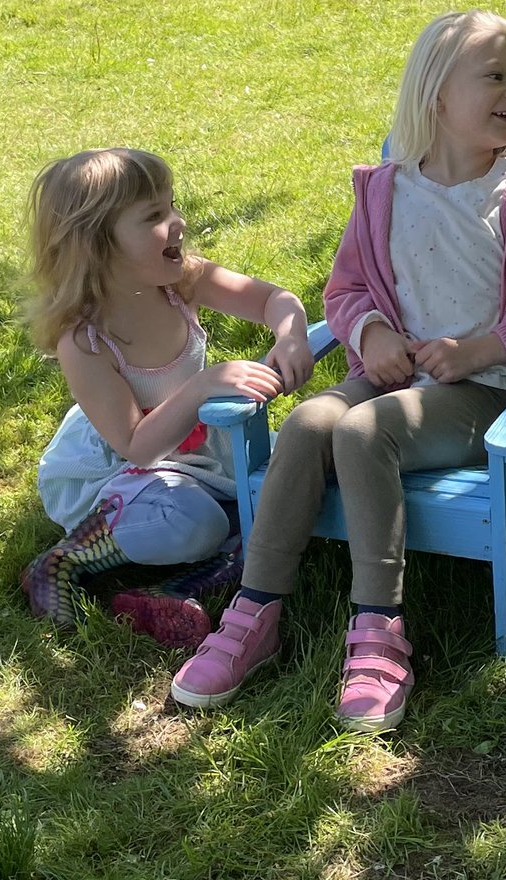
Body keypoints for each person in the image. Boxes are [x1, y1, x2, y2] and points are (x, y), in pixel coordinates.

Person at [172, 11, 506, 731]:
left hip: (477, 395)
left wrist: (480, 348)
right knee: (308, 420)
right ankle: (254, 610)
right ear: (436, 93)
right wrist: (371, 331)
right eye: (495, 76)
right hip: (394, 374)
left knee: (364, 433)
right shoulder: (386, 192)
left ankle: (379, 629)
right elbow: (348, 288)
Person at [25, 148, 314, 648]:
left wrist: (290, 336)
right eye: (154, 216)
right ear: (98, 243)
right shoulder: (86, 340)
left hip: (198, 450)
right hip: (123, 470)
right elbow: (137, 445)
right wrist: (202, 385)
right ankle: (65, 560)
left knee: (291, 500)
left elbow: (275, 300)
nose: (178, 222)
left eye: (172, 205)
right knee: (190, 521)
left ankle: (168, 592)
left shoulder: (182, 283)